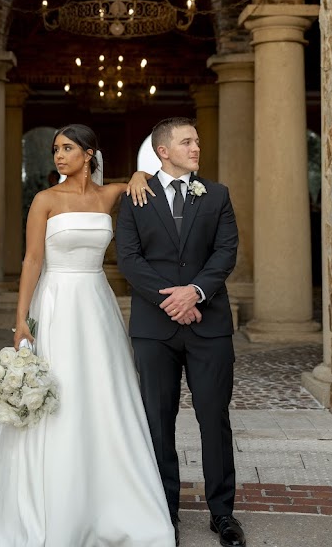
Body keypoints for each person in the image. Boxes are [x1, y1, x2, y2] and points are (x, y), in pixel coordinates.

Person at [0, 123, 175, 547]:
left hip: (96, 304)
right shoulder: (45, 200)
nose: (58, 155)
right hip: (56, 302)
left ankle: (111, 500)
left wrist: (136, 174)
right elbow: (32, 261)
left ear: (89, 154)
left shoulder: (109, 195)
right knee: (61, 393)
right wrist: (21, 320)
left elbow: (148, 178)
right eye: (56, 148)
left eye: (68, 148)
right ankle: (48, 502)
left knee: (103, 391)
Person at [116, 117, 245, 547]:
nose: (196, 148)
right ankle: (163, 512)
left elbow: (225, 252)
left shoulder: (217, 195)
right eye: (187, 142)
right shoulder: (136, 196)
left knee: (214, 418)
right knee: (158, 420)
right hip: (154, 329)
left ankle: (222, 514)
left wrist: (195, 293)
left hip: (210, 325)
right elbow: (129, 259)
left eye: (197, 141)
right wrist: (171, 301)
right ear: (163, 151)